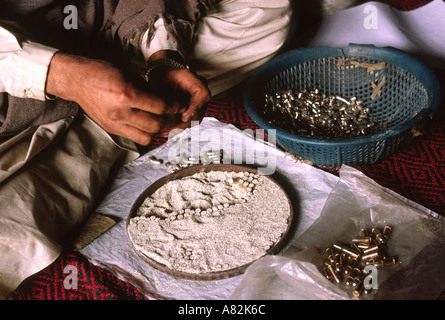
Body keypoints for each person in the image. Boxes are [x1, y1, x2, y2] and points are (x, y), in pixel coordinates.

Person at [0, 0, 294, 298]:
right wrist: (63, 76)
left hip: (96, 31)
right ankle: (108, 112)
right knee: (14, 240)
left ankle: (122, 97)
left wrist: (162, 56)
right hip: (13, 96)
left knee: (267, 7)